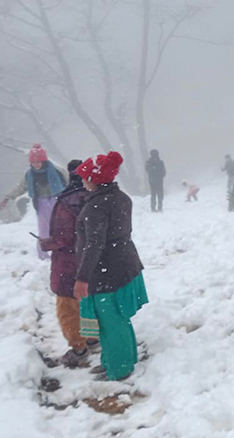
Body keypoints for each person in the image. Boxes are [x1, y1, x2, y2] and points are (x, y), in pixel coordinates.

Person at [74, 152, 148, 382]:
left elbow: (95, 244)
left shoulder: (97, 206)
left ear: (95, 180)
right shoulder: (121, 197)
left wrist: (82, 277)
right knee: (119, 318)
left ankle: (120, 368)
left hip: (106, 270)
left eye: (85, 177)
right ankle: (117, 359)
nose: (83, 182)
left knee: (110, 322)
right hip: (123, 264)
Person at [39, 160, 97, 368]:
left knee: (68, 309)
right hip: (92, 262)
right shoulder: (95, 197)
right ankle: (92, 339)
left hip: (68, 264)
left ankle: (78, 347)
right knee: (87, 304)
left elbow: (63, 238)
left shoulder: (66, 202)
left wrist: (45, 244)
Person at [0, 144, 67, 259]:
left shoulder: (56, 171)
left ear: (44, 161)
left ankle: (63, 250)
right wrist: (8, 197)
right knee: (44, 229)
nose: (36, 165)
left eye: (38, 162)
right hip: (41, 202)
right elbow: (21, 187)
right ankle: (43, 254)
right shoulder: (30, 175)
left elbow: (69, 181)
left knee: (61, 226)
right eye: (33, 162)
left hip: (58, 200)